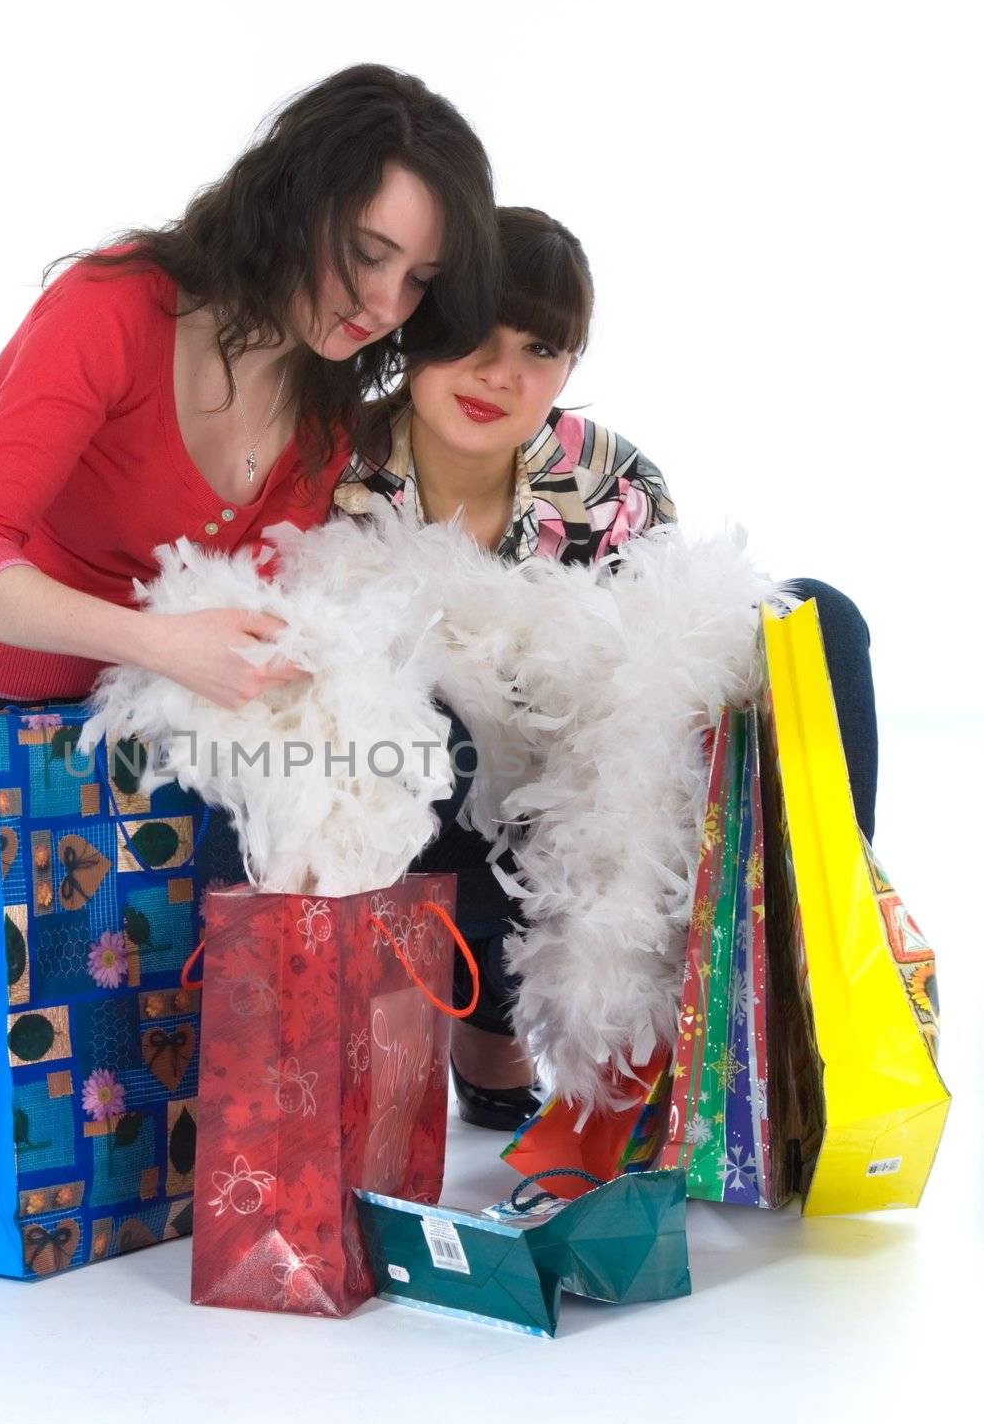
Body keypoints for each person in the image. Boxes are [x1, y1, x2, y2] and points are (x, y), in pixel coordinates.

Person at [0, 64, 504, 1123]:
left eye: (416, 279)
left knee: (173, 1072)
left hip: (135, 721)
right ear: (292, 198)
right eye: (367, 253)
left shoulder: (331, 399)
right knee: (72, 1091)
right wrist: (164, 644)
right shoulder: (116, 308)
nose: (382, 303)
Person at [335, 206, 879, 1128]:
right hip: (414, 792)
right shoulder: (330, 467)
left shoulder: (611, 478)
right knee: (433, 727)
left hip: (591, 789)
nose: (501, 375)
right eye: (473, 335)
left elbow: (656, 681)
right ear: (416, 326)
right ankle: (486, 1018)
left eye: (541, 350)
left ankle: (808, 975)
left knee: (818, 619)